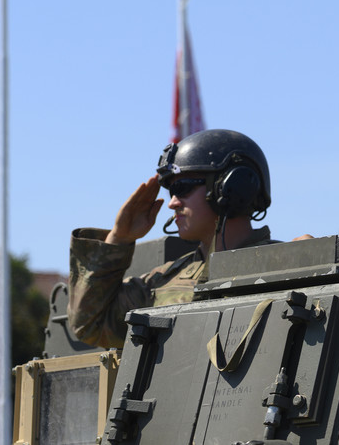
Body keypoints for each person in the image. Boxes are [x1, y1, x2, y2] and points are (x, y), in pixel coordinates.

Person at [68, 128, 274, 348]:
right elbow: (89, 326)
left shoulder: (283, 267)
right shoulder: (162, 282)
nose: (172, 203)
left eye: (182, 188)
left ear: (232, 186)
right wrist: (118, 238)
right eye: (170, 192)